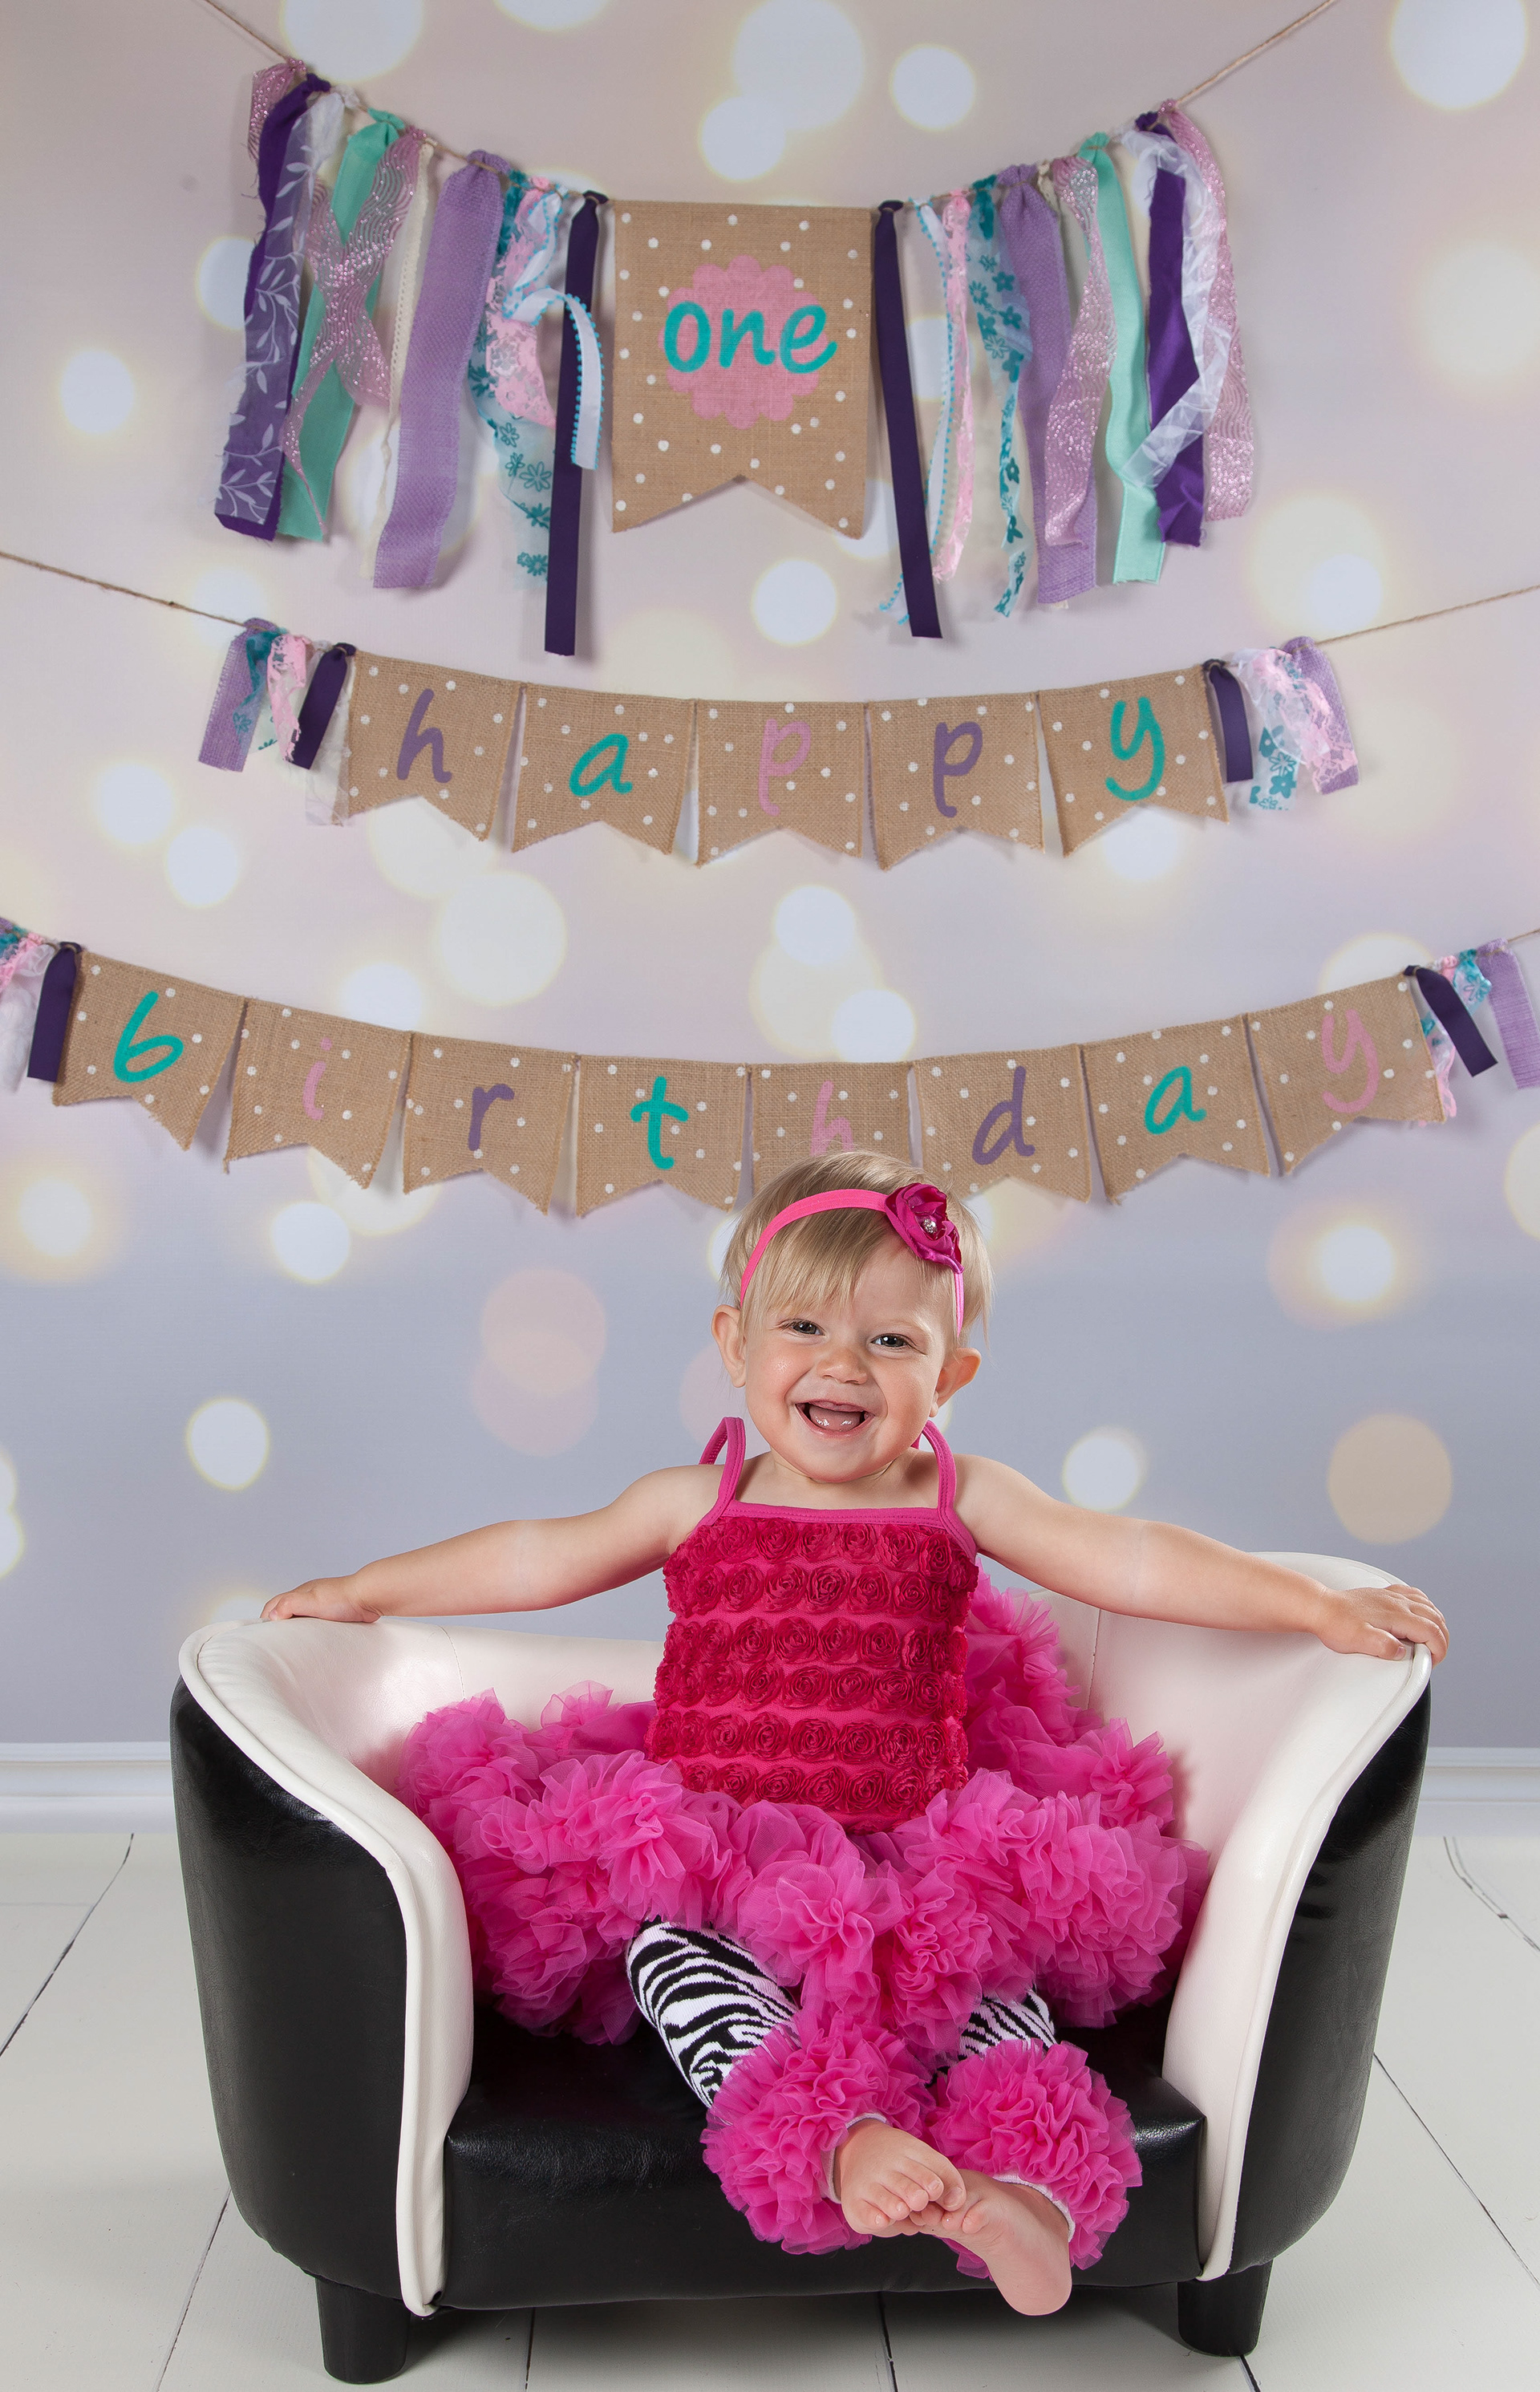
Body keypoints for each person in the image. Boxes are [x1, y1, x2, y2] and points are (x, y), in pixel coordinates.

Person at [263, 1151, 1447, 2313]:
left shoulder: (960, 1498)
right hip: (713, 1857)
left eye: (891, 1339)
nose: (844, 1364)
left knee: (985, 1994)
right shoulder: (699, 1500)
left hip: (920, 1852)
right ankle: (842, 2137)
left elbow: (1130, 1557)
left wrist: (1312, 1606)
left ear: (952, 1373)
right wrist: (365, 1589)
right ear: (735, 1345)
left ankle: (1028, 2193)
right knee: (685, 1975)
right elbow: (538, 1555)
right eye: (804, 1329)